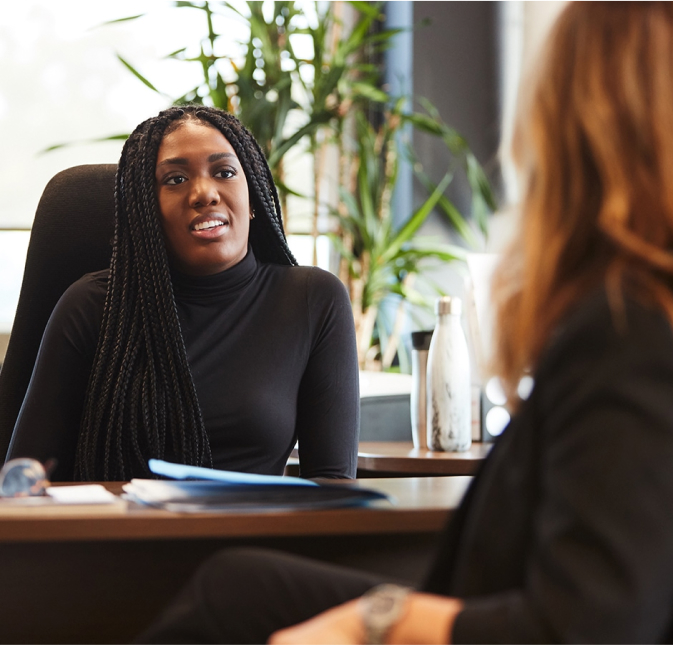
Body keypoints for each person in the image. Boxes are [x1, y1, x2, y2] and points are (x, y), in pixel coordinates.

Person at [135, 3, 673, 643]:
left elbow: (590, 622)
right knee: (238, 587)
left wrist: (379, 619)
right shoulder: (631, 321)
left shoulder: (626, 331)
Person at [7, 106, 359, 482]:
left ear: (253, 195)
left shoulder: (313, 301)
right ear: (146, 210)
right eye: (175, 179)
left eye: (224, 172)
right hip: (118, 534)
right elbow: (20, 486)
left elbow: (333, 485)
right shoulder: (93, 306)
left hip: (252, 537)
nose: (204, 193)